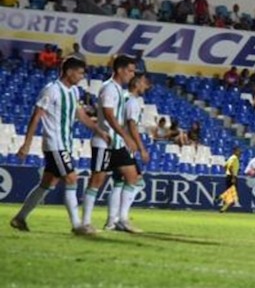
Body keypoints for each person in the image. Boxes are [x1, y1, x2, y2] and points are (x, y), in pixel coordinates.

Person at [10, 57, 109, 234]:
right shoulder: (51, 90)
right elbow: (36, 116)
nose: (81, 77)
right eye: (79, 73)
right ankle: (78, 225)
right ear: (69, 72)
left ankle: (20, 218)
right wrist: (27, 144)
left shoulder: (74, 92)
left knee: (47, 183)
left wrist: (98, 130)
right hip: (55, 144)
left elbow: (81, 115)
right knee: (71, 178)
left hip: (65, 144)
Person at [82, 55, 138, 234]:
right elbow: (108, 115)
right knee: (97, 180)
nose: (132, 74)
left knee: (132, 176)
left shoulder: (118, 90)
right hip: (104, 141)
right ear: (120, 70)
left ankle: (122, 220)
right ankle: (85, 222)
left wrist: (123, 138)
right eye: (130, 71)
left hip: (116, 142)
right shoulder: (109, 88)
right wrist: (126, 136)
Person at [106, 73, 150, 231]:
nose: (147, 86)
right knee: (136, 180)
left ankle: (112, 220)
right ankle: (122, 218)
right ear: (137, 83)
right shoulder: (132, 101)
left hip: (116, 143)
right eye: (145, 83)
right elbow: (132, 125)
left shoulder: (122, 97)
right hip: (125, 145)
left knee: (119, 182)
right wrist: (141, 147)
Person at [220, 147, 241, 213]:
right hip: (232, 177)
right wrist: (233, 177)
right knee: (233, 194)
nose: (240, 153)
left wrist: (227, 173)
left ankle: (223, 208)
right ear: (235, 151)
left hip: (229, 176)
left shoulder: (230, 158)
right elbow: (230, 167)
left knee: (230, 193)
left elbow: (225, 166)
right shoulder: (234, 158)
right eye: (238, 151)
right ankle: (220, 198)